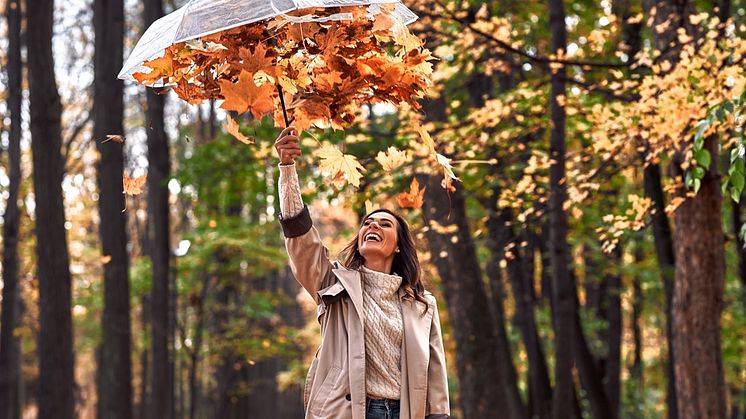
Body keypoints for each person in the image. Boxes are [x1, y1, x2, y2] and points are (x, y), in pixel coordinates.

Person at [274, 126, 450, 419]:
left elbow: (435, 372)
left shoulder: (422, 304)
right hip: (348, 411)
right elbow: (302, 240)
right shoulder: (334, 285)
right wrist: (287, 168)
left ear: (398, 246)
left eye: (384, 224)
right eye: (367, 223)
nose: (372, 227)